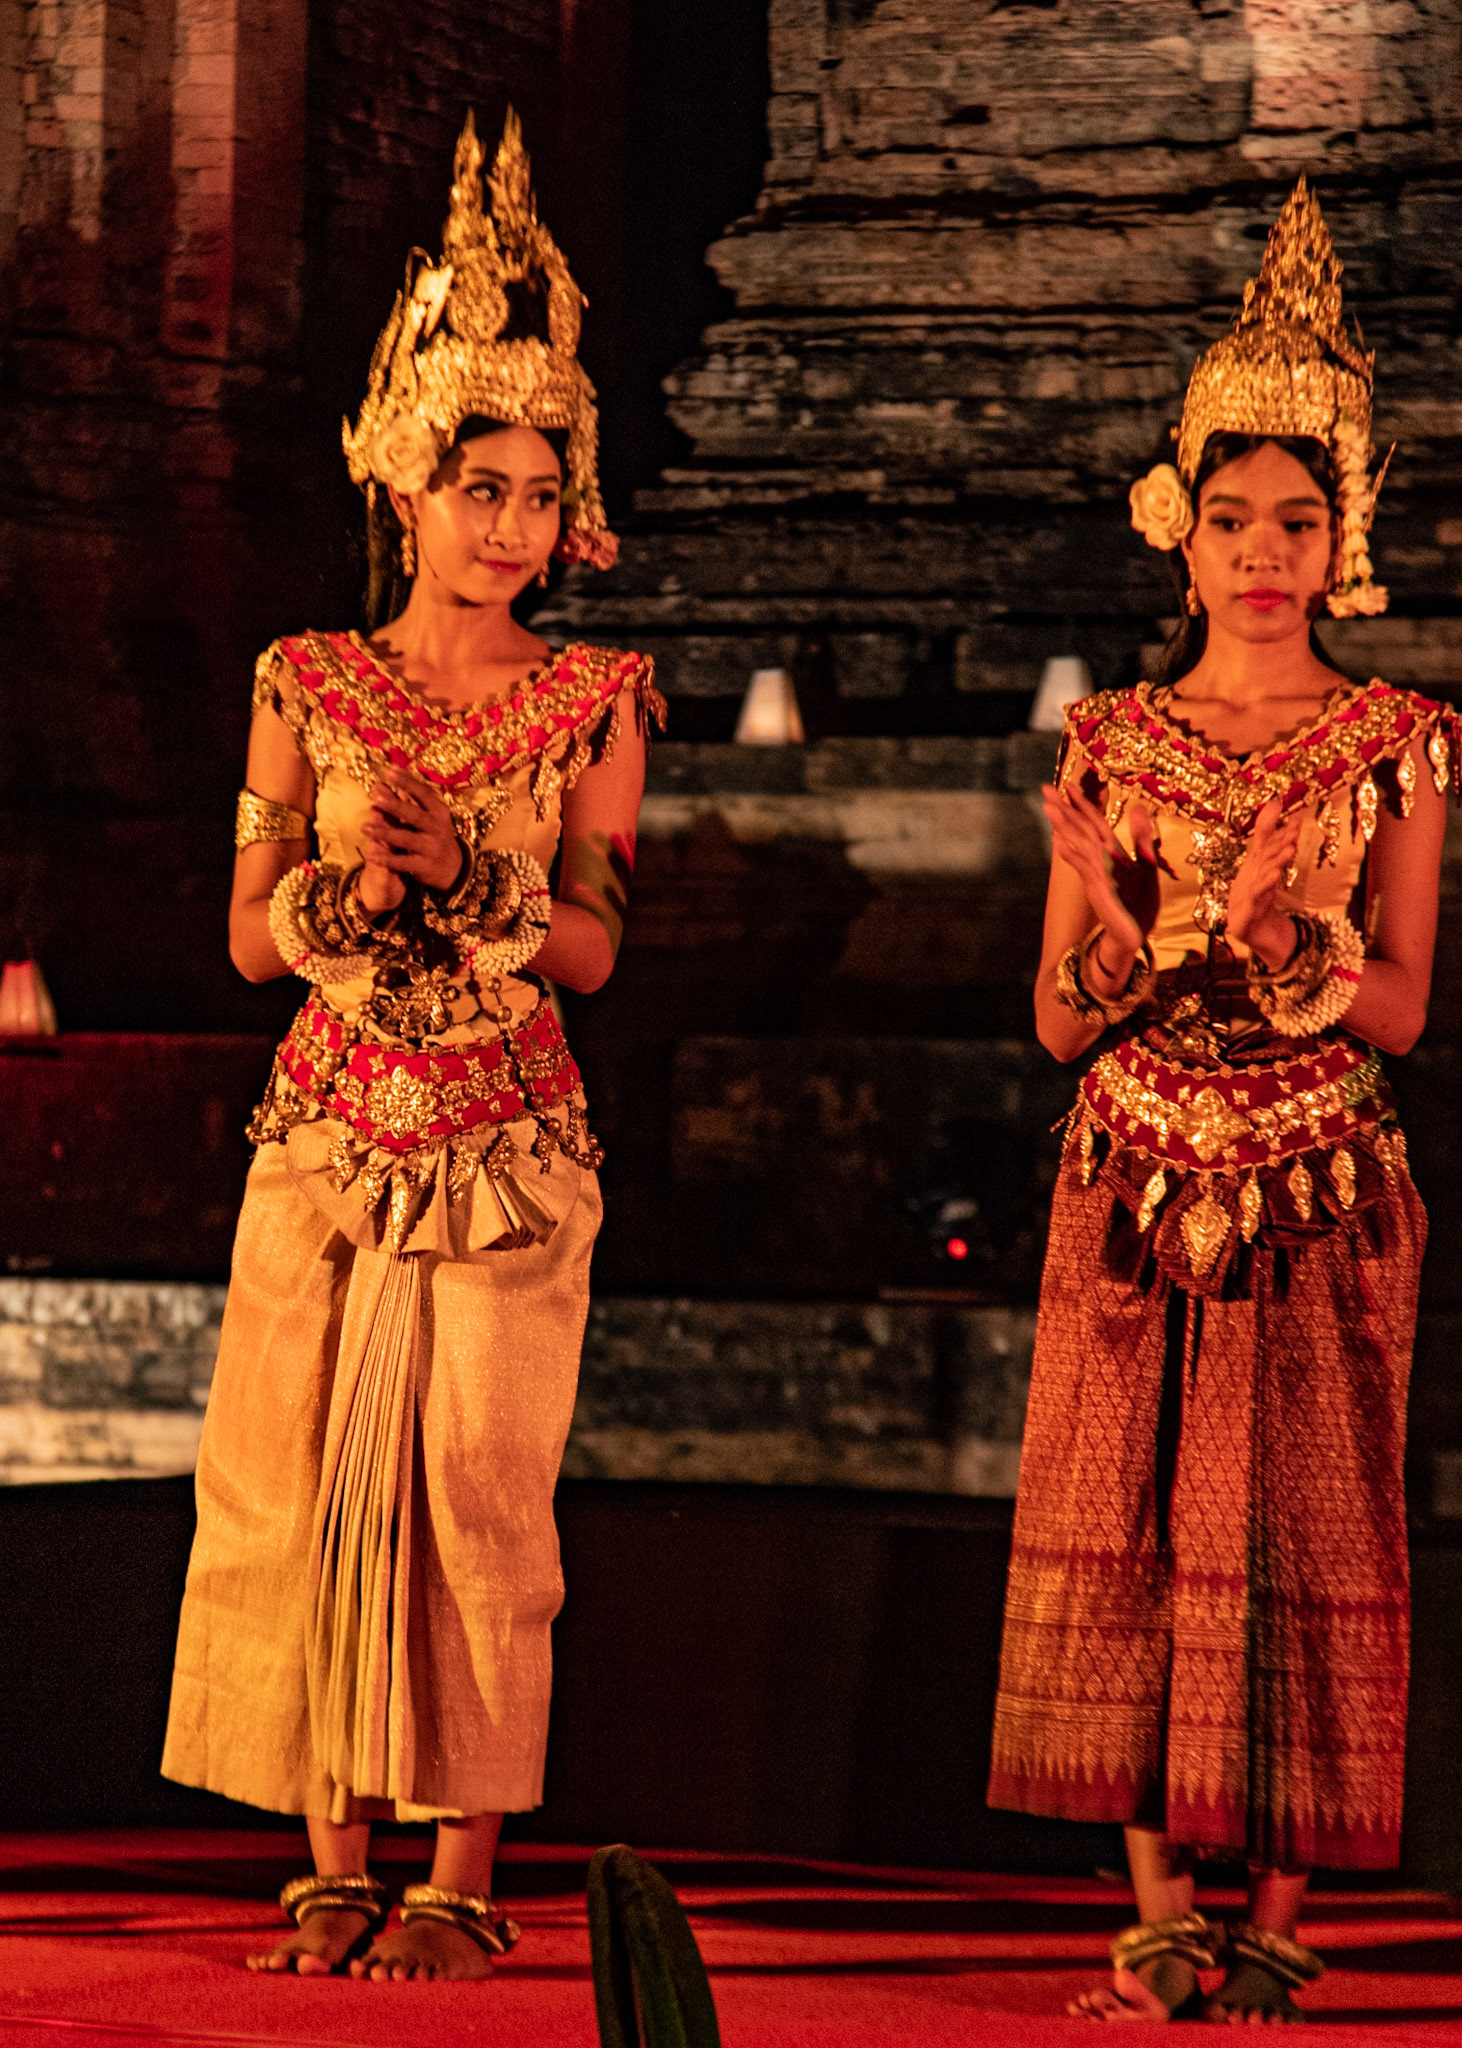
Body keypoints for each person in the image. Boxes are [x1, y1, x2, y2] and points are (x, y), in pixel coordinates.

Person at [162, 110, 664, 1983]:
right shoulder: (305, 682)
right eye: (479, 487)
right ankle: (328, 1858)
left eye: (539, 493)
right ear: (402, 479)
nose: (510, 525)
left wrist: (473, 879)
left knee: (476, 1493)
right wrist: (349, 893)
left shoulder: (597, 699)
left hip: (509, 1150)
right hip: (325, 1135)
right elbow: (246, 935)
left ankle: (459, 1872)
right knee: (291, 1481)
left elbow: (595, 947)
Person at [987, 178, 1457, 2025]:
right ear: (1174, 533)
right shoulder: (1112, 741)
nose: (1262, 552)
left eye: (1298, 522)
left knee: (1298, 1532)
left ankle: (1273, 1914)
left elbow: (1402, 1007)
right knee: (1126, 1527)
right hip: (1129, 1178)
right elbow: (1053, 1024)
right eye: (1231, 518)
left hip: (1317, 1181)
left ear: (1343, 542)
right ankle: (1153, 1913)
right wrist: (1115, 935)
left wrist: (1283, 944)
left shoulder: (1395, 741)